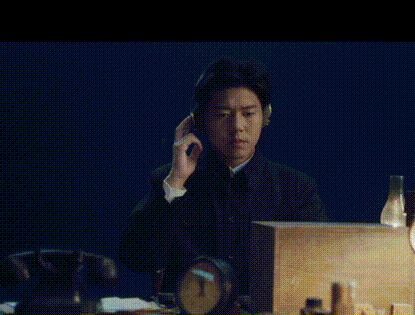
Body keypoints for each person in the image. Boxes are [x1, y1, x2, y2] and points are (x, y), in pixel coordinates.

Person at [118, 58, 326, 297]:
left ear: (265, 116)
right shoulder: (170, 180)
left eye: (248, 113)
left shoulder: (296, 188)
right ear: (200, 120)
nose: (237, 126)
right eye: (222, 114)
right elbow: (135, 259)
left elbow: (319, 265)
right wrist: (175, 183)